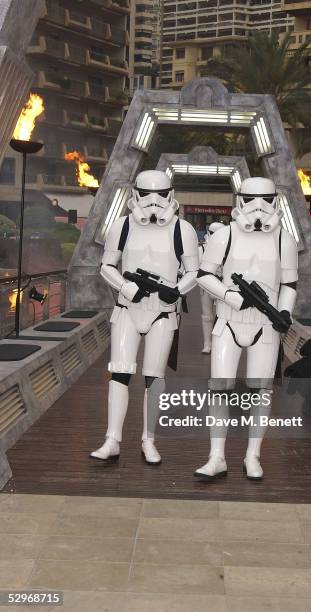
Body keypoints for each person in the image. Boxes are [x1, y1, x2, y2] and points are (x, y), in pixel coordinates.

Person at [90, 170, 199, 463]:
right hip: (127, 309)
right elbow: (106, 265)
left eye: (161, 194)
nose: (154, 202)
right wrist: (126, 286)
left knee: (155, 378)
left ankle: (148, 439)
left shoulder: (182, 230)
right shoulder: (122, 226)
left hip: (162, 314)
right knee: (120, 373)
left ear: (171, 195)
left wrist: (175, 291)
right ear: (135, 194)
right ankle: (112, 438)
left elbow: (194, 273)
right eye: (147, 194)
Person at [195, 177, 298, 480]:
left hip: (265, 326)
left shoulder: (284, 239)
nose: (258, 207)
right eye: (252, 199)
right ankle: (216, 456)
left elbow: (290, 284)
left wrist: (283, 312)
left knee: (260, 393)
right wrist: (230, 296)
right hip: (228, 321)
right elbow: (203, 274)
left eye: (266, 200)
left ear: (275, 201)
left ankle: (253, 455)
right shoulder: (224, 235)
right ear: (240, 200)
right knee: (220, 390)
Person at [199, 222, 225, 353]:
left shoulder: (229, 247)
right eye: (213, 233)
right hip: (206, 285)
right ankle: (207, 343)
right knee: (207, 316)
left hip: (222, 285)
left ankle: (217, 343)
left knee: (221, 315)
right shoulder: (203, 248)